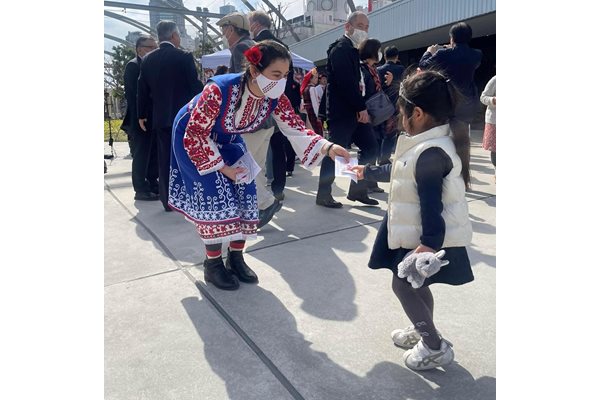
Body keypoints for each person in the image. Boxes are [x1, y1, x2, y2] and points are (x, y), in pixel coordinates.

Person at [168, 40, 350, 291]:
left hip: (228, 137)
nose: (282, 81)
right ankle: (212, 264)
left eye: (285, 75)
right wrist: (223, 169)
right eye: (276, 74)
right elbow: (196, 133)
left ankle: (236, 257)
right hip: (194, 137)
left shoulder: (275, 97)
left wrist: (328, 147)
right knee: (216, 198)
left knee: (246, 191)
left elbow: (295, 127)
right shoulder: (219, 90)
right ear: (254, 71)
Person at [352, 70, 474, 371]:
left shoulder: (430, 152)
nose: (398, 118)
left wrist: (427, 246)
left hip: (420, 235)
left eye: (400, 111)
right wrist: (367, 172)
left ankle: (433, 345)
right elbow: (400, 173)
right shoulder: (424, 142)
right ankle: (423, 330)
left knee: (403, 286)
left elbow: (431, 205)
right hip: (408, 227)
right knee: (415, 287)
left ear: (416, 113)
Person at [219, 11, 281, 226]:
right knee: (258, 167)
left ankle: (266, 202)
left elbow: (243, 88)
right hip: (265, 120)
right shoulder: (253, 45)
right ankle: (259, 205)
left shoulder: (241, 48)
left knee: (242, 165)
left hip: (251, 121)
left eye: (223, 28)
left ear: (231, 28)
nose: (222, 33)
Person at [137, 21, 203, 211]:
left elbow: (142, 90)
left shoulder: (148, 59)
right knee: (187, 157)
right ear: (174, 36)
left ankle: (168, 201)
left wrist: (142, 114)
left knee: (164, 158)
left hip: (161, 118)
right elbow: (194, 86)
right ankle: (189, 198)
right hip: (184, 118)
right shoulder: (183, 56)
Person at [316, 11, 379, 208]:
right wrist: (361, 108)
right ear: (348, 26)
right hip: (342, 112)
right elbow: (345, 83)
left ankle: (358, 191)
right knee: (336, 153)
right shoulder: (340, 49)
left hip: (355, 110)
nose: (364, 30)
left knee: (370, 147)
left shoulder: (354, 50)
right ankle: (324, 193)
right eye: (360, 25)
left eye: (366, 27)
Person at [249, 9, 300, 203]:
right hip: (278, 101)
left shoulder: (256, 47)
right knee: (277, 146)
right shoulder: (283, 46)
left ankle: (259, 192)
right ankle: (278, 188)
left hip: (258, 103)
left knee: (257, 149)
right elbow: (286, 79)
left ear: (255, 24)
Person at [418, 21, 482, 127]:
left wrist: (429, 51)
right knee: (463, 135)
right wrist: (452, 50)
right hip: (468, 104)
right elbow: (463, 60)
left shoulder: (442, 54)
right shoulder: (477, 54)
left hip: (449, 103)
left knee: (449, 134)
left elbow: (423, 65)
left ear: (452, 38)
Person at [121, 35, 159, 201]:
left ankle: (152, 182)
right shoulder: (133, 66)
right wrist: (141, 116)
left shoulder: (150, 65)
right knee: (141, 153)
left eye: (155, 46)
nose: (154, 50)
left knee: (153, 153)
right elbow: (133, 95)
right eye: (151, 47)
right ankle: (140, 188)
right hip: (139, 119)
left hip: (152, 117)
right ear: (140, 49)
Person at [358, 38, 390, 194]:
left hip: (376, 115)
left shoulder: (373, 69)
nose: (380, 53)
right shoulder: (362, 69)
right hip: (366, 114)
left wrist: (387, 83)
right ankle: (361, 183)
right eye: (378, 49)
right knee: (368, 149)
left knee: (375, 148)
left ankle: (370, 182)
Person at [377, 46, 405, 165]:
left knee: (378, 132)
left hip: (379, 105)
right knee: (390, 134)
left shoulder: (378, 69)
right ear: (397, 56)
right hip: (394, 106)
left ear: (384, 56)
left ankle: (377, 156)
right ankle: (384, 157)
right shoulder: (401, 69)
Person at [480, 75, 496, 176]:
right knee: (496, 148)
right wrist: (493, 100)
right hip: (495, 120)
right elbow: (483, 97)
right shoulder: (496, 79)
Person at [300, 68, 323, 136]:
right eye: (315, 78)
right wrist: (318, 116)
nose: (317, 79)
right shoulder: (312, 88)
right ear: (310, 79)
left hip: (307, 112)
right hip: (313, 112)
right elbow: (315, 103)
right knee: (317, 133)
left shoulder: (305, 89)